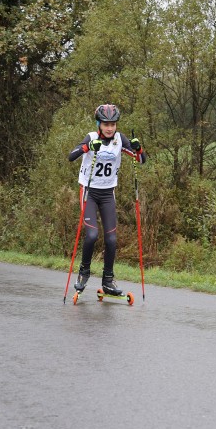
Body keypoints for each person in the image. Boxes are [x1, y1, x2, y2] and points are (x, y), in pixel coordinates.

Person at [68, 103, 146, 296]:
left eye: (113, 124)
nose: (110, 128)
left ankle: (108, 281)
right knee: (93, 235)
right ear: (99, 124)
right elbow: (71, 156)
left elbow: (141, 160)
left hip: (108, 193)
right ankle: (83, 273)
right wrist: (87, 147)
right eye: (106, 124)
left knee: (111, 239)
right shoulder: (92, 137)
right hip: (89, 192)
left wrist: (139, 148)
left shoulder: (120, 140)